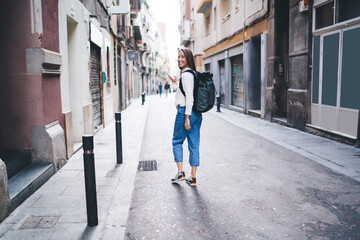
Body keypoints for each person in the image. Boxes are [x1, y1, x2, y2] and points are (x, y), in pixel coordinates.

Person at [168, 48, 202, 187]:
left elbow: (190, 98)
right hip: (197, 114)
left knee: (177, 141)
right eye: (178, 57)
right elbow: (187, 92)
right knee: (194, 144)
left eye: (182, 57)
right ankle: (192, 177)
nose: (179, 59)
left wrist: (186, 117)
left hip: (186, 112)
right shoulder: (190, 74)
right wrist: (177, 83)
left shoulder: (187, 75)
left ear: (188, 58)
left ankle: (181, 172)